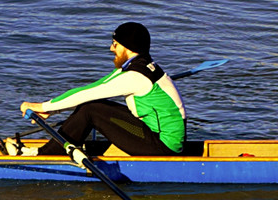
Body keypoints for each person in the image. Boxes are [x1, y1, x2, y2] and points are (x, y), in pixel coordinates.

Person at [19, 22, 187, 159]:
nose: (111, 48)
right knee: (91, 106)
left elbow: (85, 95)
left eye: (115, 44)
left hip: (163, 147)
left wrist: (42, 107)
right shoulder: (141, 66)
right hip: (156, 135)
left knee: (91, 110)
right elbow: (89, 90)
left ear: (128, 47)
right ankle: (51, 151)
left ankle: (45, 156)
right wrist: (53, 110)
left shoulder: (135, 77)